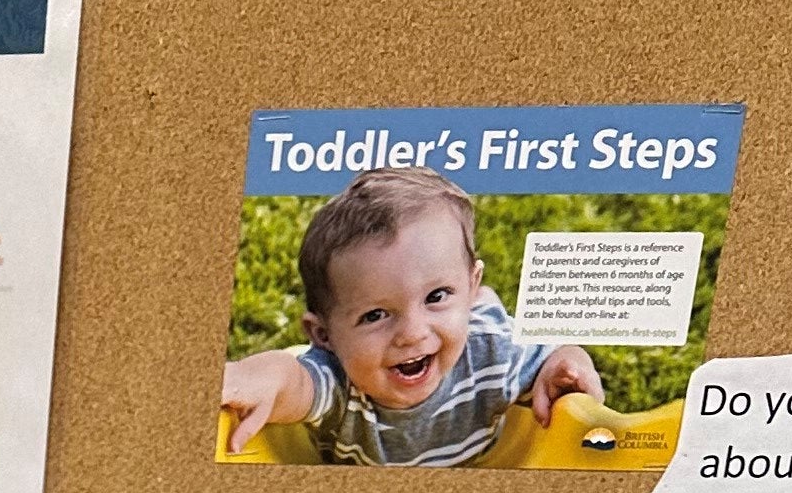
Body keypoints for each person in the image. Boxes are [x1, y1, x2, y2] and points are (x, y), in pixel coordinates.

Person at [221, 166, 599, 467]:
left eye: (436, 296)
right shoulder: (340, 381)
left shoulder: (492, 353)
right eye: (376, 315)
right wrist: (260, 373)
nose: (412, 334)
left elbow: (553, 359)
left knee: (490, 324)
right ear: (324, 336)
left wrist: (567, 363)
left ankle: (481, 303)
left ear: (469, 283)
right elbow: (294, 381)